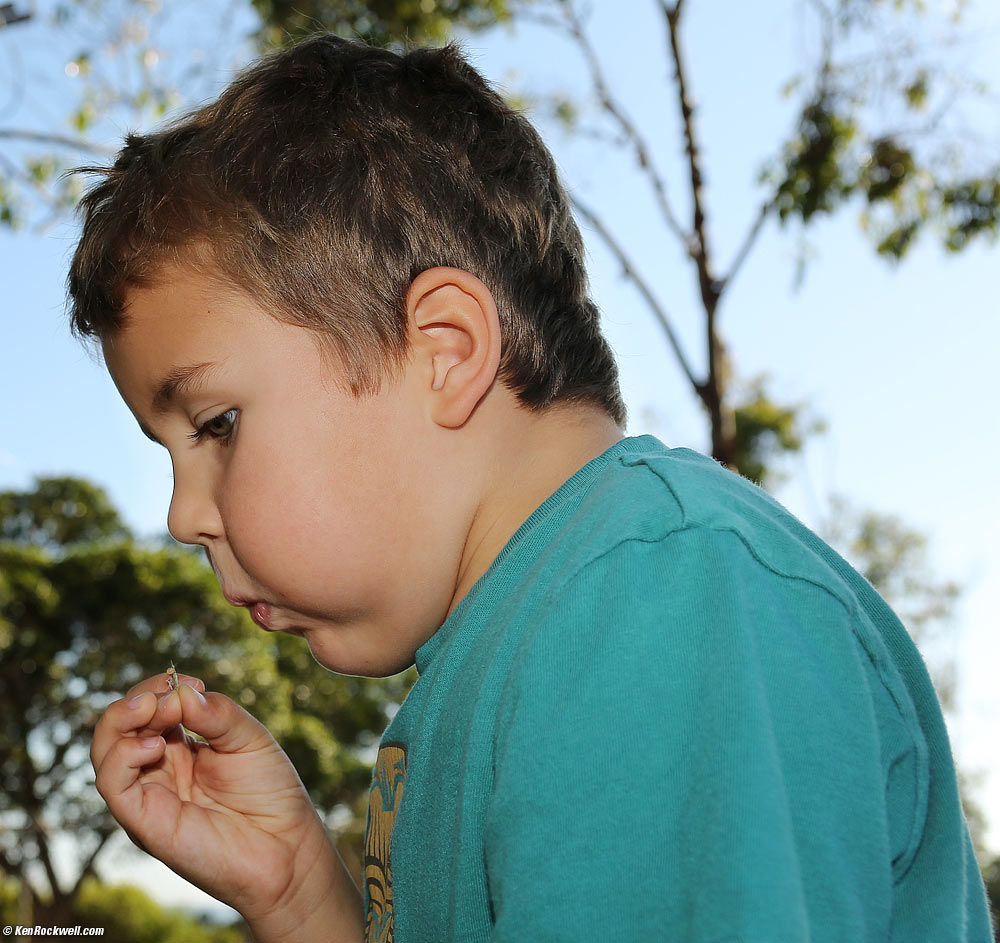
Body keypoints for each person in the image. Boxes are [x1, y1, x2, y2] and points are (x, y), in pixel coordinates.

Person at [78, 34, 992, 943]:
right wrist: (299, 894)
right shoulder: (530, 643)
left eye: (215, 425)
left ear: (445, 351)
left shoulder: (653, 594)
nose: (181, 516)